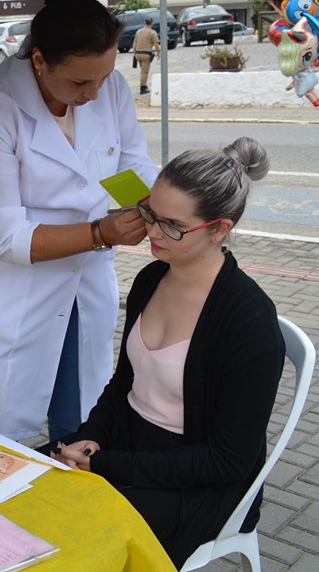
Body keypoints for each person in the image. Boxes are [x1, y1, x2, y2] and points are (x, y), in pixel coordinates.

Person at [0, 0, 160, 445]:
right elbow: (6, 236)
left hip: (85, 285)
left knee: (81, 424)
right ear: (39, 60)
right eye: (81, 82)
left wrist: (159, 201)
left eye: (104, 77)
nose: (96, 94)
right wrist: (102, 231)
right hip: (12, 295)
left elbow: (128, 162)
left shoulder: (109, 88)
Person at [53, 138, 284, 568]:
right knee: (29, 484)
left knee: (79, 535)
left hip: (197, 479)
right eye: (150, 214)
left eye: (172, 225)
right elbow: (125, 383)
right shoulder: (152, 278)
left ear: (219, 229)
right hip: (130, 445)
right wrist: (92, 436)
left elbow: (227, 461)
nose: (153, 233)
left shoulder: (249, 321)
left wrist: (107, 464)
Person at [133, 16, 161, 95]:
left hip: (138, 54)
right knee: (145, 72)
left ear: (144, 23)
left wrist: (134, 53)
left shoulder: (138, 32)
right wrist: (158, 53)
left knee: (142, 70)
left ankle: (144, 84)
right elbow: (156, 44)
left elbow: (134, 43)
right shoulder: (152, 32)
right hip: (146, 54)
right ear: (151, 23)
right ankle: (143, 87)